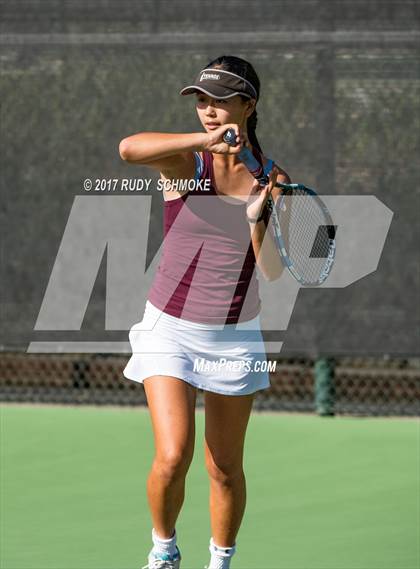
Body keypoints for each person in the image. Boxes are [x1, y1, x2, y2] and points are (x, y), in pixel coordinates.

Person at [119, 55, 291, 569]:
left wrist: (258, 218)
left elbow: (275, 271)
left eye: (220, 100)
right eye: (201, 100)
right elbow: (129, 150)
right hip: (168, 328)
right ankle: (164, 550)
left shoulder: (273, 177)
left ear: (248, 105)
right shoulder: (185, 162)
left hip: (235, 336)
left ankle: (220, 560)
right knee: (173, 458)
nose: (208, 111)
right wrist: (203, 144)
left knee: (224, 468)